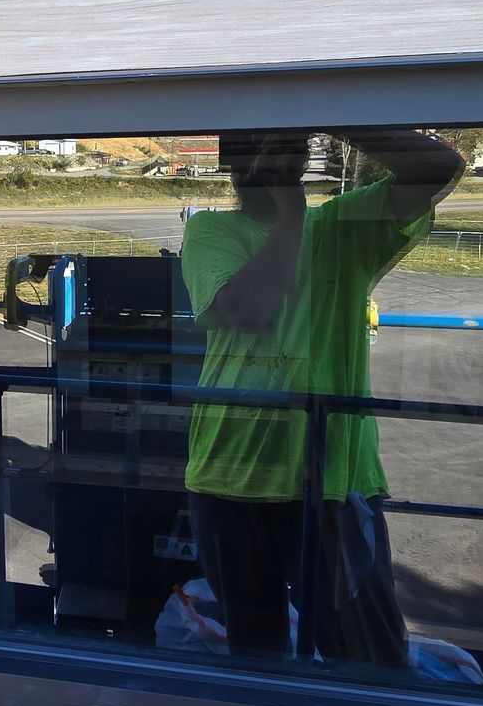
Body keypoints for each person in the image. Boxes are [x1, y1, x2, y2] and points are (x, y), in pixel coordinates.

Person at [180, 129, 464, 668]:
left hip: (330, 479)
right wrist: (290, 213)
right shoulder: (211, 230)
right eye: (256, 146)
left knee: (364, 649)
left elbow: (439, 167)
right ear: (232, 162)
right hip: (228, 473)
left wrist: (338, 115)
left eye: (285, 142)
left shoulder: (343, 227)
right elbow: (249, 310)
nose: (270, 156)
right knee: (254, 646)